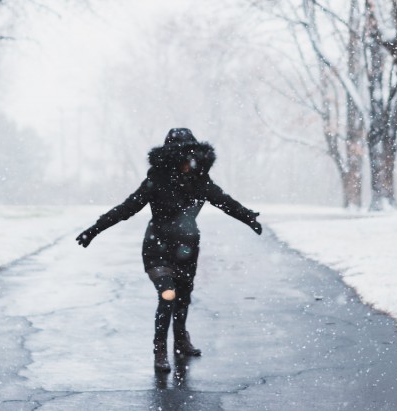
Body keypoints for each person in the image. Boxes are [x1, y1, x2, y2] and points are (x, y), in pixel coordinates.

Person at [76, 127, 262, 372]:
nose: (189, 162)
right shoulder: (156, 181)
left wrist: (248, 218)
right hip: (157, 248)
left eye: (192, 157)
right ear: (173, 158)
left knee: (183, 296)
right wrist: (95, 229)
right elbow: (126, 208)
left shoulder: (201, 182)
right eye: (184, 158)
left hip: (186, 248)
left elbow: (225, 202)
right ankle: (160, 349)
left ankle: (181, 340)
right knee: (168, 296)